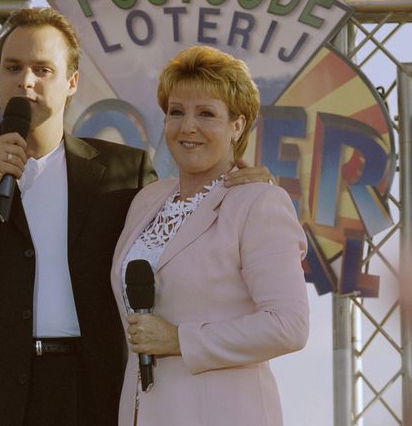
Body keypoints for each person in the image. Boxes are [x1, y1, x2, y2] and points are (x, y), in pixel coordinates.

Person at [0, 8, 271, 426]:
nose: (26, 81)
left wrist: (238, 186)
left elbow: (181, 247)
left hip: (88, 392)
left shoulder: (123, 171)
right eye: (13, 67)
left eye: (43, 69)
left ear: (72, 82)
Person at [110, 45, 310, 426]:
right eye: (176, 112)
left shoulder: (259, 202)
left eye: (206, 113)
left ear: (237, 125)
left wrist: (179, 340)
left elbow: (289, 325)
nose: (188, 126)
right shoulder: (147, 200)